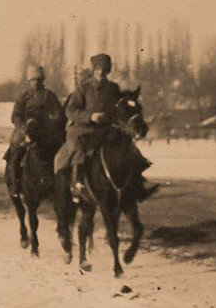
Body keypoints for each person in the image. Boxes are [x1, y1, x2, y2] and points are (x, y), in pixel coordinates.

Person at [54, 53, 155, 201]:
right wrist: (90, 116)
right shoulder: (83, 87)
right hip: (83, 129)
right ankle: (77, 184)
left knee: (128, 147)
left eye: (104, 70)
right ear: (93, 70)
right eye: (97, 69)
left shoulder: (113, 87)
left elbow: (120, 106)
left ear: (108, 71)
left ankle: (137, 184)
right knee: (78, 148)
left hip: (106, 129)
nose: (101, 72)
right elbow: (70, 110)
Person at [3, 65, 64, 193]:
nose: (35, 83)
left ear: (42, 80)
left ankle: (62, 185)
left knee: (62, 151)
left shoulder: (49, 96)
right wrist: (22, 129)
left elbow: (59, 114)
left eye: (38, 80)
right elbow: (16, 116)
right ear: (29, 81)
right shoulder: (24, 97)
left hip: (46, 132)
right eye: (33, 80)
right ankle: (14, 184)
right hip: (26, 130)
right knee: (15, 152)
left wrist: (51, 123)